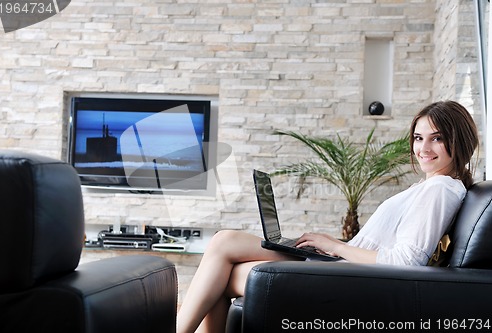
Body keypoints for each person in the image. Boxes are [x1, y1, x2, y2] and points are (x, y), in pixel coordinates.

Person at [177, 100, 479, 333]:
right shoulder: (432, 185)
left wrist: (334, 247)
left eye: (436, 139)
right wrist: (333, 245)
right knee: (223, 244)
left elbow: (406, 261)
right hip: (347, 265)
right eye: (418, 137)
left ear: (459, 141)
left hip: (352, 276)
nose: (422, 148)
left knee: (223, 261)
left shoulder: (440, 188)